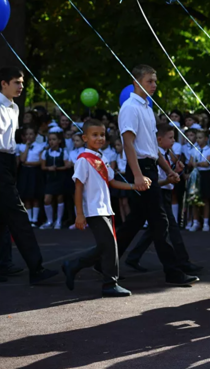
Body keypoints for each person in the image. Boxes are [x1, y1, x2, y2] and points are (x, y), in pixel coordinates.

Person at [105, 65, 197, 286]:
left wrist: (168, 170)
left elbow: (152, 147)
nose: (154, 85)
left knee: (135, 222)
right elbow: (129, 144)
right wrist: (137, 175)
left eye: (155, 81)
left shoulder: (147, 108)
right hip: (140, 169)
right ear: (136, 82)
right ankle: (173, 272)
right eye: (149, 81)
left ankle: (104, 262)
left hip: (149, 167)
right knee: (160, 221)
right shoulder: (130, 107)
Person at [0, 67, 58, 284]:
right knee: (19, 213)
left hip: (10, 162)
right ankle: (36, 269)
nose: (21, 86)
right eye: (17, 82)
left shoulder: (14, 108)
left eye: (21, 82)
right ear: (4, 83)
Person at [62, 120, 148, 296]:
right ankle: (109, 283)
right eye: (95, 135)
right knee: (108, 245)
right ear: (85, 137)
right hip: (93, 210)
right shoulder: (83, 160)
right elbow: (77, 187)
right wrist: (79, 214)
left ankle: (75, 266)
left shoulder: (103, 158)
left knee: (107, 245)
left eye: (102, 135)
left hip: (105, 208)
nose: (100, 138)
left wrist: (133, 186)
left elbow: (112, 182)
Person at [125, 124, 200, 274]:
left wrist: (175, 170)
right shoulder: (153, 157)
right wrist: (169, 180)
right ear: (159, 139)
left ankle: (133, 256)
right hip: (158, 193)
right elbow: (154, 182)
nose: (173, 141)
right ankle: (181, 262)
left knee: (155, 230)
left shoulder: (166, 154)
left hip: (164, 193)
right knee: (170, 227)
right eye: (170, 138)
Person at [40, 131, 69, 229]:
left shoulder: (63, 152)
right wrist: (49, 168)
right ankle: (49, 221)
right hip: (50, 178)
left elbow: (66, 166)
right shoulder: (46, 152)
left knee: (59, 198)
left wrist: (57, 168)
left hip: (60, 178)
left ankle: (58, 221)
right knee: (47, 199)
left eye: (54, 139)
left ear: (59, 141)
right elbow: (43, 166)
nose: (51, 142)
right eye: (50, 140)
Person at [17, 126, 44, 227]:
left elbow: (40, 161)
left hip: (35, 172)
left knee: (35, 196)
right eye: (27, 134)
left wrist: (29, 163)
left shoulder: (40, 146)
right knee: (27, 196)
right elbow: (22, 160)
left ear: (35, 135)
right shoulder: (21, 147)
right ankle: (29, 219)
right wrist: (27, 146)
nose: (29, 136)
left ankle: (35, 219)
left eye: (31, 134)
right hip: (25, 172)